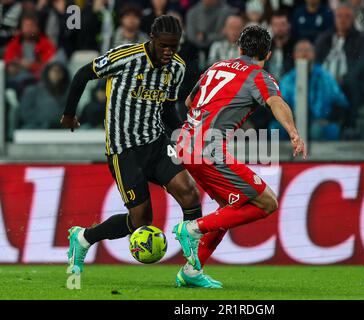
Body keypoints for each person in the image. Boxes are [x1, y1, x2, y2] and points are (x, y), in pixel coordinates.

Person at [61, 16, 220, 287]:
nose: (169, 51)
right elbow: (82, 74)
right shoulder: (126, 57)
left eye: (174, 46)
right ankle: (83, 238)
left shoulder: (177, 68)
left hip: (157, 144)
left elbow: (169, 109)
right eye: (164, 45)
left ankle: (192, 269)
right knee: (141, 221)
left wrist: (184, 135)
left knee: (190, 195)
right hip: (124, 150)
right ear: (152, 39)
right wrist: (69, 113)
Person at [173, 25, 307, 288]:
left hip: (184, 143)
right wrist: (293, 131)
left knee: (229, 208)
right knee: (267, 202)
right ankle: (191, 229)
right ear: (268, 54)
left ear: (239, 48)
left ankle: (191, 270)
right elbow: (277, 103)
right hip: (208, 149)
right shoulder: (260, 77)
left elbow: (189, 102)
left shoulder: (216, 67)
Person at [269, 40, 349, 141]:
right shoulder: (287, 80)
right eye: (300, 50)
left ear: (314, 54)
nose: (304, 53)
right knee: (275, 129)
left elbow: (340, 103)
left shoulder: (325, 77)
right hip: (293, 122)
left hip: (320, 122)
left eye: (307, 50)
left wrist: (328, 119)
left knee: (317, 130)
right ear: (294, 55)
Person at [315, 3, 364, 138]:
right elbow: (315, 61)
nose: (342, 19)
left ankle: (349, 125)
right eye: (339, 16)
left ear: (353, 19)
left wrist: (342, 78)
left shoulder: (361, 39)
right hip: (324, 81)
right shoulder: (325, 38)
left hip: (349, 83)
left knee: (350, 82)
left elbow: (363, 63)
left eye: (347, 16)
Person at [18, 61, 70, 129]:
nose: (57, 74)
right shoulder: (32, 91)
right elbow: (25, 113)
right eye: (54, 70)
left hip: (62, 130)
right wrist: (45, 123)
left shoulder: (68, 94)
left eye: (61, 71)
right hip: (36, 129)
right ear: (47, 72)